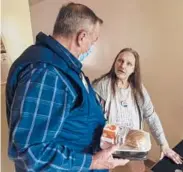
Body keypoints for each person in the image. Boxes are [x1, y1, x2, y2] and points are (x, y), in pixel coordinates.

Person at [6, 3, 129, 172]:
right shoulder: (45, 73)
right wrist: (91, 162)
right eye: (93, 41)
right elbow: (31, 154)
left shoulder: (63, 66)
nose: (91, 47)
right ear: (82, 37)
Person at [92, 48, 183, 171]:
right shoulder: (101, 87)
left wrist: (164, 145)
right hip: (109, 151)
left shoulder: (138, 89)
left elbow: (151, 116)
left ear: (134, 69)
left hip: (134, 150)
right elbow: (91, 120)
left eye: (129, 64)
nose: (123, 65)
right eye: (120, 60)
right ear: (115, 62)